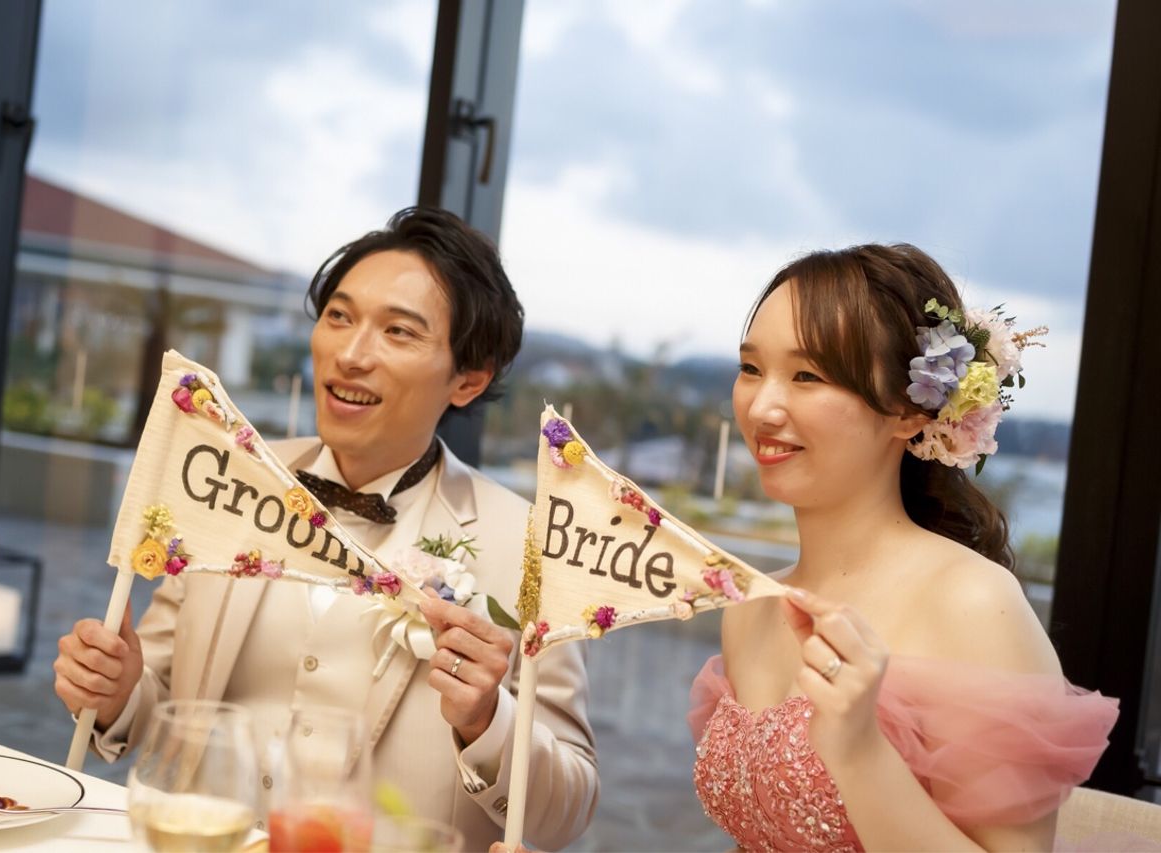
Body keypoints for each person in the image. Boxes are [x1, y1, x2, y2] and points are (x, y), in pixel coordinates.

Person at [54, 207, 598, 850]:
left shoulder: (532, 548)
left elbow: (567, 811)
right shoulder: (228, 479)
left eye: (398, 331)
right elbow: (163, 714)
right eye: (339, 316)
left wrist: (487, 720)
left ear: (468, 380)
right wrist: (118, 692)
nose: (350, 354)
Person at [690, 244, 1118, 851]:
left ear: (910, 412)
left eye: (808, 376)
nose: (761, 408)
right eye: (751, 368)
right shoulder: (752, 607)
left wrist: (861, 752)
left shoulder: (973, 602)